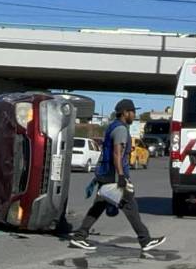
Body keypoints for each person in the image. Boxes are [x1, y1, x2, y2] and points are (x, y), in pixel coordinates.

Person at [69, 99, 165, 254]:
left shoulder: (113, 126)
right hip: (113, 174)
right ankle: (145, 240)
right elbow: (117, 153)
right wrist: (121, 176)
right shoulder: (120, 129)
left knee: (99, 205)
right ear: (125, 112)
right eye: (133, 112)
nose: (134, 115)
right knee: (130, 206)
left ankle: (80, 236)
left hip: (105, 173)